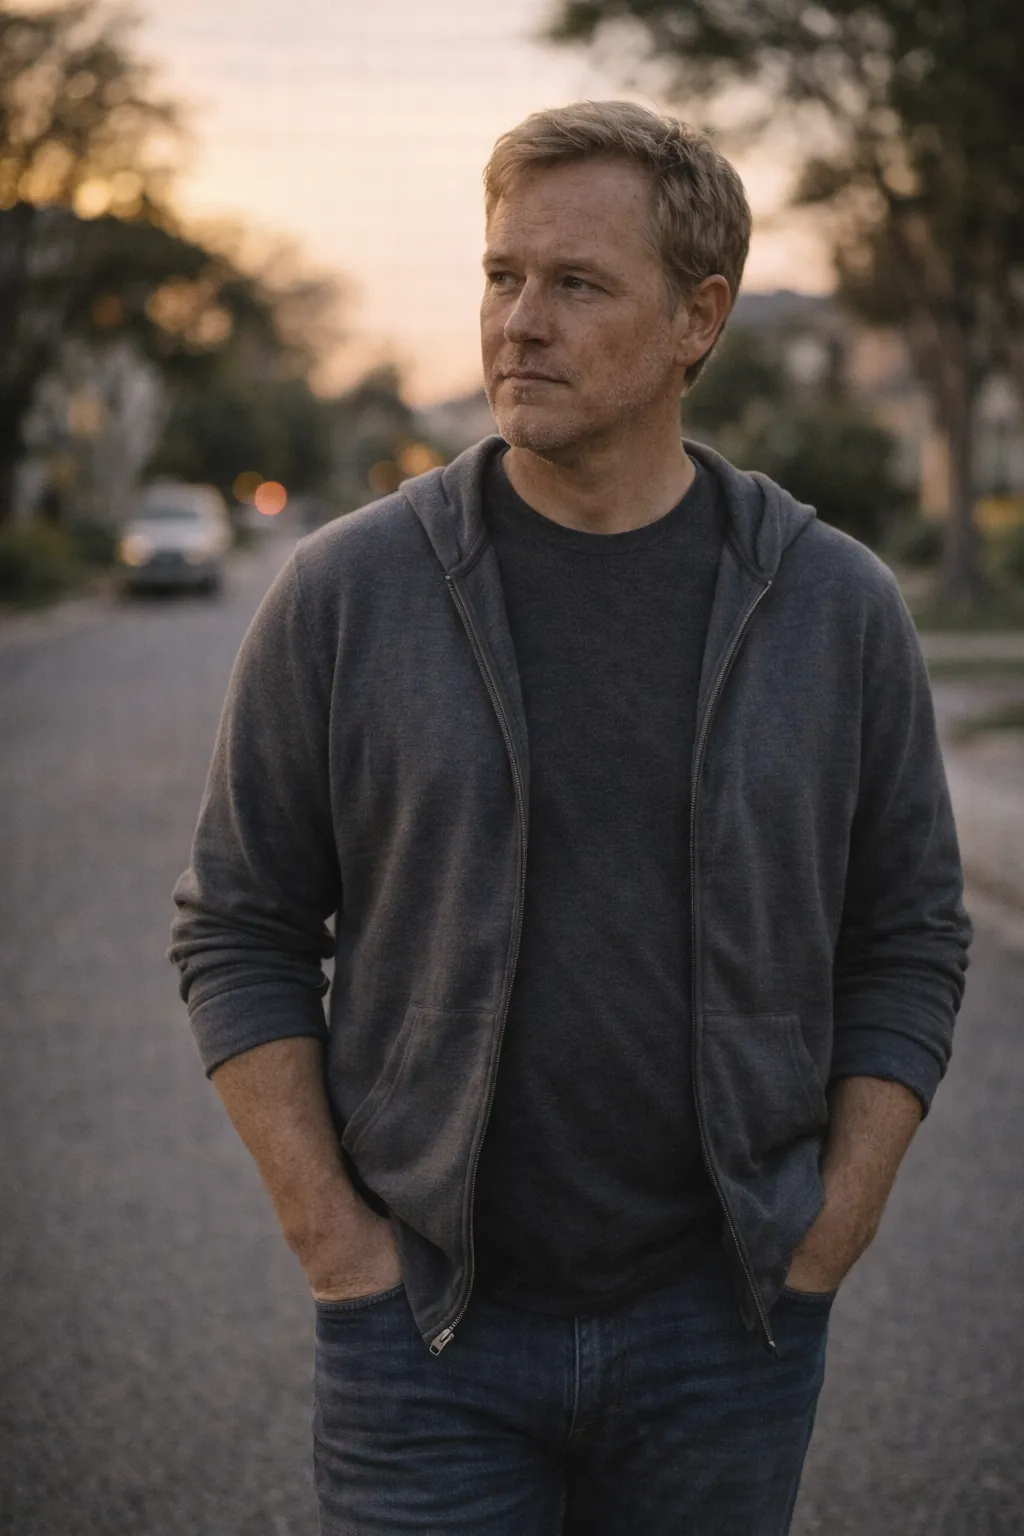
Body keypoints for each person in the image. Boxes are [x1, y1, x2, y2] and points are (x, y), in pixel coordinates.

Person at [170, 100, 971, 1535]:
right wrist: (336, 1246)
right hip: (424, 1337)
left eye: (578, 284)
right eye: (503, 276)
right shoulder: (348, 594)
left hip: (726, 1333)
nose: (519, 323)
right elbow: (239, 927)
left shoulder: (833, 605)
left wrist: (829, 1232)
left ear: (697, 319)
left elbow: (908, 936)